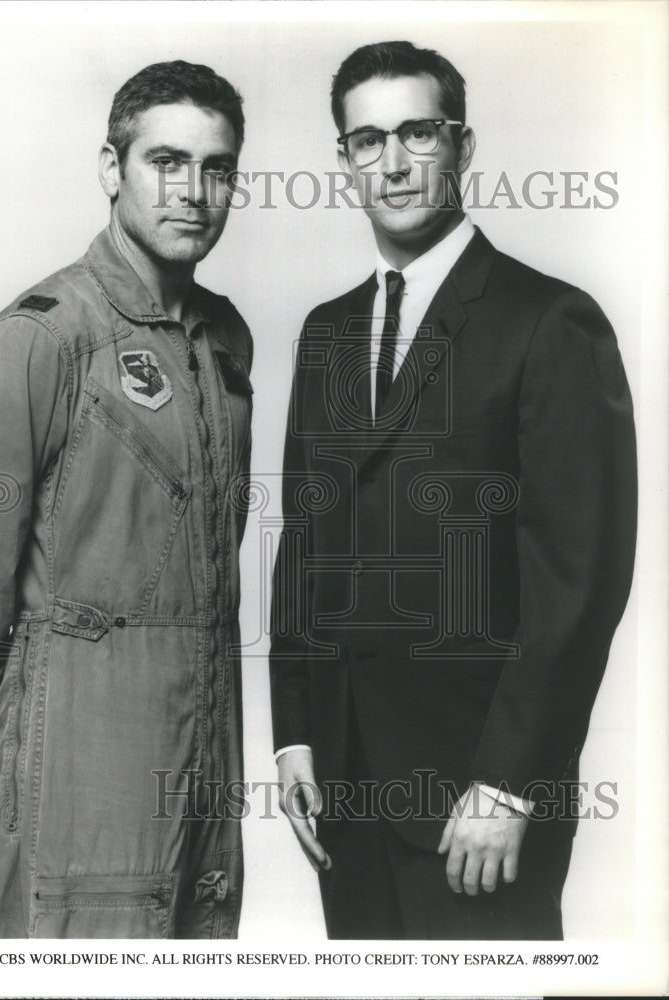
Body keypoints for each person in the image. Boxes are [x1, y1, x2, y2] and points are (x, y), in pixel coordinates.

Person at [270, 40, 637, 940]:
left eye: (417, 133)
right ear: (346, 161)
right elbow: (303, 542)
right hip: (344, 793)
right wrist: (295, 733)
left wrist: (512, 779)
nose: (392, 163)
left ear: (462, 147)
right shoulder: (326, 331)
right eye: (366, 141)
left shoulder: (550, 320)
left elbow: (578, 583)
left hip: (481, 800)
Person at [0, 60, 252, 939]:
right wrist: (14, 707)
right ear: (112, 168)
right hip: (78, 764)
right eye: (166, 162)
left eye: (217, 169)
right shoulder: (45, 335)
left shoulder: (224, 339)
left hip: (204, 760)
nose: (194, 192)